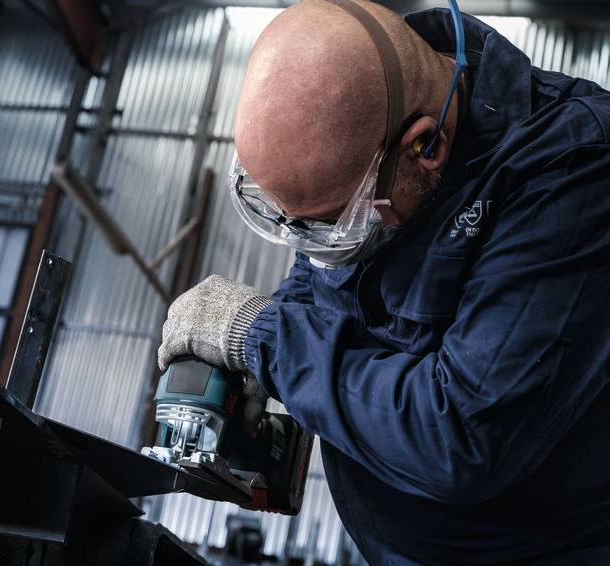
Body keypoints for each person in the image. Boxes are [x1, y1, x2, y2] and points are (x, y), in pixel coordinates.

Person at [158, 0, 610, 563]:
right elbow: (321, 278)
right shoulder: (367, 150)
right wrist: (264, 364)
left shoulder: (573, 167)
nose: (317, 241)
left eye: (330, 222)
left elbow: (462, 436)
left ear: (426, 146)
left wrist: (261, 337)